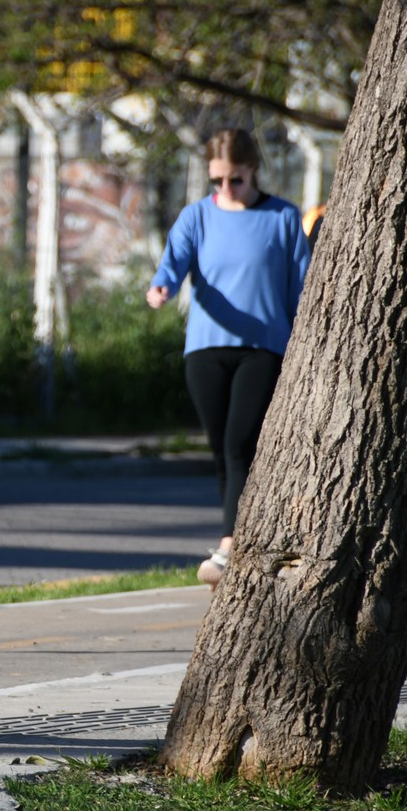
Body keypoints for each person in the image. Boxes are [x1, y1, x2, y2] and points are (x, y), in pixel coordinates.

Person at [147, 127, 311, 586]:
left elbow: (303, 285)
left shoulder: (282, 217)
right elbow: (174, 260)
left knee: (242, 442)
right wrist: (162, 285)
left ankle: (226, 548)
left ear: (252, 171)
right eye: (216, 180)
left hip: (263, 349)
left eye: (234, 180)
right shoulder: (197, 217)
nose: (225, 190)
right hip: (206, 349)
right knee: (223, 450)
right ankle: (244, 541)